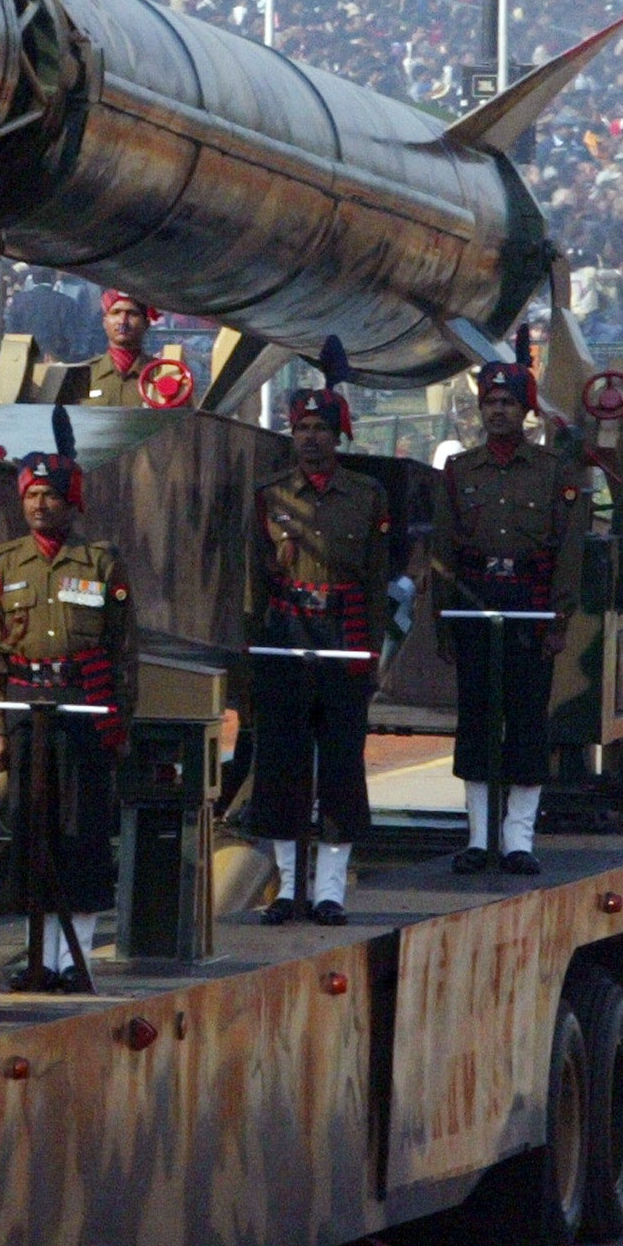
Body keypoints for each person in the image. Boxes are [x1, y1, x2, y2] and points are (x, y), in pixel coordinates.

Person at [0, 404, 136, 990]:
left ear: (72, 503)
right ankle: (39, 956)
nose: (40, 505)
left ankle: (78, 959)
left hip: (82, 711)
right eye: (31, 496)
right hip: (25, 712)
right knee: (31, 833)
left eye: (50, 496)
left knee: (82, 834)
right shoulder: (2, 565)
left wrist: (118, 725)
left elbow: (123, 654)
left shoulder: (101, 565)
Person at [430, 359, 588, 876]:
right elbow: (444, 552)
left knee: (526, 719)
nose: (498, 411)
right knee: (476, 719)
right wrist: (444, 621)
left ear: (526, 411)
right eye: (491, 403)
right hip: (476, 603)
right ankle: (478, 838)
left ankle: (519, 838)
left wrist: (559, 616)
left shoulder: (553, 473)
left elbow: (569, 550)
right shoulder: (459, 470)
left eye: (508, 404)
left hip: (529, 602)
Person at [246, 357, 387, 926]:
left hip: (343, 632)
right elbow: (254, 579)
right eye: (300, 429)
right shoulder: (270, 495)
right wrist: (253, 650)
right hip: (286, 633)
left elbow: (376, 580)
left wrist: (371, 650)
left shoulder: (367, 495)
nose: (309, 439)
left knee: (340, 763)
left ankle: (330, 890)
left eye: (320, 430)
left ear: (338, 435)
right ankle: (287, 888)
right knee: (281, 760)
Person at [79, 291, 189, 408]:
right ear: (104, 321)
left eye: (132, 314)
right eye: (116, 312)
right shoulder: (84, 375)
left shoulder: (164, 374)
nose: (123, 321)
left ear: (146, 323)